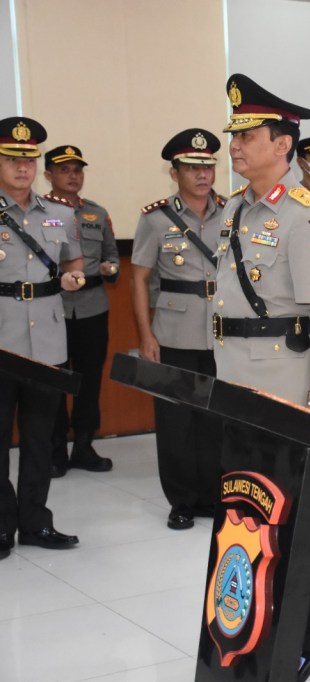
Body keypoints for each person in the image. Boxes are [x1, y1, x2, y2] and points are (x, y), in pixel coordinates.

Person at [215, 73, 310, 682]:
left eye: (247, 136)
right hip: (234, 388)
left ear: (283, 144)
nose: (235, 146)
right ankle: (252, 626)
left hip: (288, 391)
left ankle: (301, 638)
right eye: (234, 135)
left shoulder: (307, 216)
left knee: (296, 516)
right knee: (246, 514)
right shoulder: (234, 209)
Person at [130, 128, 226, 531]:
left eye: (208, 166)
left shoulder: (233, 212)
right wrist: (145, 335)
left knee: (215, 418)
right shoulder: (156, 219)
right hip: (173, 332)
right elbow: (139, 279)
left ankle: (213, 495)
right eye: (192, 167)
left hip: (222, 333)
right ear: (175, 173)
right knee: (176, 421)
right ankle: (182, 500)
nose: (202, 174)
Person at [0, 116, 86, 558]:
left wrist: (73, 278)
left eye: (29, 159)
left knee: (40, 438)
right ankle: (1, 526)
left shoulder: (61, 213)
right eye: (12, 159)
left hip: (48, 341)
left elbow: (74, 263)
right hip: (2, 340)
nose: (23, 167)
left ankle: (35, 522)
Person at [44, 145, 118, 476]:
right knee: (55, 379)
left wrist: (110, 268)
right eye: (65, 170)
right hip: (53, 307)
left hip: (93, 306)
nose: (73, 176)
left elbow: (112, 255)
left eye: (78, 170)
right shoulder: (40, 212)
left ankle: (84, 446)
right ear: (48, 175)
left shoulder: (97, 214)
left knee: (89, 379)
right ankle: (56, 450)